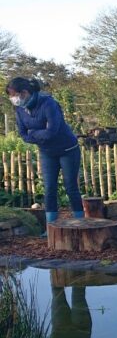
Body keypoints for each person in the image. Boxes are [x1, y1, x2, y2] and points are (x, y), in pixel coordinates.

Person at [7, 77, 84, 227]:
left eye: (13, 94)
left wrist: (34, 133)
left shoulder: (48, 103)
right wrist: (39, 133)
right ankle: (51, 226)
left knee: (70, 187)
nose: (12, 98)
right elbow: (23, 135)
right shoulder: (19, 110)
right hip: (47, 152)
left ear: (24, 92)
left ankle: (81, 222)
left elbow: (52, 131)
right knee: (49, 188)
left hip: (68, 149)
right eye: (10, 95)